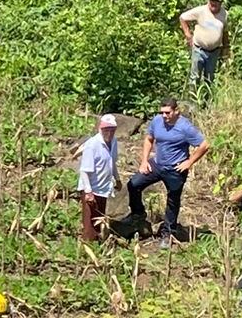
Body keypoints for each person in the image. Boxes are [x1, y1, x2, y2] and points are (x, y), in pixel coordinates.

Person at [127, 98, 209, 244]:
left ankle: (168, 232)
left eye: (167, 113)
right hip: (157, 164)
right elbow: (149, 139)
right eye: (162, 112)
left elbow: (204, 145)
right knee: (134, 184)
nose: (164, 116)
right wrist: (144, 161)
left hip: (175, 168)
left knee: (173, 200)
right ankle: (138, 213)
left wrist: (189, 162)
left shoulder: (185, 127)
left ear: (176, 111)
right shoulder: (157, 121)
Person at [76, 114, 120, 242]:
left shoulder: (114, 142)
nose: (109, 132)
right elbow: (84, 171)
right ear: (100, 129)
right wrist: (88, 192)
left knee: (100, 219)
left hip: (104, 188)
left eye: (112, 129)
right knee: (90, 225)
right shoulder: (92, 145)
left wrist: (117, 179)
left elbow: (112, 162)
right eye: (107, 129)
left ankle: (98, 245)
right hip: (92, 188)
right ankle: (88, 248)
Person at [179, 0, 229, 93]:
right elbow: (183, 18)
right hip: (199, 49)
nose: (214, 3)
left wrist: (226, 48)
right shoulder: (201, 11)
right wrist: (188, 36)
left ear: (221, 3)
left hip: (214, 52)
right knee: (194, 78)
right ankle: (193, 103)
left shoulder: (224, 14)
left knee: (209, 79)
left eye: (217, 1)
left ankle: (207, 104)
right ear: (208, 1)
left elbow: (225, 31)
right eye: (212, 1)